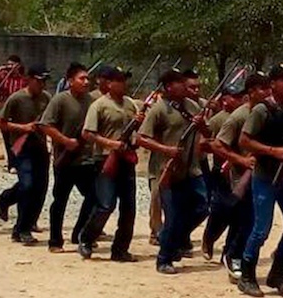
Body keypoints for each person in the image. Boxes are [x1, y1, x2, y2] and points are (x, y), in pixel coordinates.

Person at [237, 64, 283, 297]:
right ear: (272, 84)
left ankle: (277, 272)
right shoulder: (262, 110)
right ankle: (247, 275)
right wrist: (272, 151)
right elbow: (245, 141)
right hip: (266, 176)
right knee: (261, 230)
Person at [138, 69, 207, 275]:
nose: (185, 85)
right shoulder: (159, 109)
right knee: (173, 216)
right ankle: (164, 259)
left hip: (191, 169)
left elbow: (208, 132)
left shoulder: (193, 106)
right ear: (168, 87)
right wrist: (166, 150)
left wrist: (202, 125)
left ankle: (175, 240)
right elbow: (142, 138)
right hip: (166, 171)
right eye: (179, 82)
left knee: (203, 207)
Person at [204, 74, 266, 281]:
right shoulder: (238, 117)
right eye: (261, 89)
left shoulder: (266, 112)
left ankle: (231, 255)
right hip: (238, 176)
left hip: (260, 176)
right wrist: (240, 160)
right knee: (237, 217)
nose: (266, 92)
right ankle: (231, 256)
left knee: (247, 220)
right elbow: (217, 145)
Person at [77, 65, 141, 261]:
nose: (123, 84)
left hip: (126, 159)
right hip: (105, 159)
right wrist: (111, 144)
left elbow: (135, 134)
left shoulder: (130, 104)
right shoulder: (99, 105)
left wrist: (137, 126)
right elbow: (87, 133)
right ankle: (86, 238)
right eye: (119, 80)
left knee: (129, 208)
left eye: (124, 80)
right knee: (105, 204)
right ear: (110, 84)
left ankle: (120, 249)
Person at [38, 63, 97, 252]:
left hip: (86, 160)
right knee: (60, 201)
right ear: (70, 81)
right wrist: (65, 141)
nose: (86, 82)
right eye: (82, 78)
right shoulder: (60, 100)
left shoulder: (91, 101)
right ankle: (55, 241)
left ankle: (80, 233)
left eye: (88, 78)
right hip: (65, 160)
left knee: (94, 197)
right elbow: (45, 125)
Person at [0, 65, 52, 245]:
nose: (42, 84)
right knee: (27, 186)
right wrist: (23, 127)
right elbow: (1, 123)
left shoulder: (47, 98)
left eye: (44, 81)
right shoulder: (16, 99)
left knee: (39, 189)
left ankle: (21, 227)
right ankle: (9, 204)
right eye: (39, 80)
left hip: (40, 148)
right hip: (22, 149)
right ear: (29, 79)